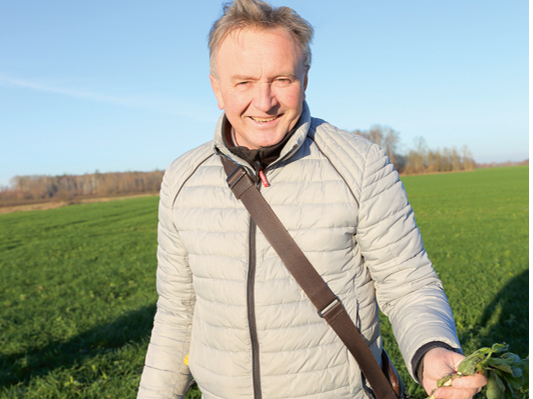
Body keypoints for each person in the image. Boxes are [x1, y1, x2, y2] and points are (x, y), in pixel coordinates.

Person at [137, 1, 487, 398]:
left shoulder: (359, 164)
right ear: (217, 88)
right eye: (244, 82)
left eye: (282, 79)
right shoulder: (183, 178)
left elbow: (408, 284)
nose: (265, 101)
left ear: (305, 78)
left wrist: (432, 349)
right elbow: (178, 313)